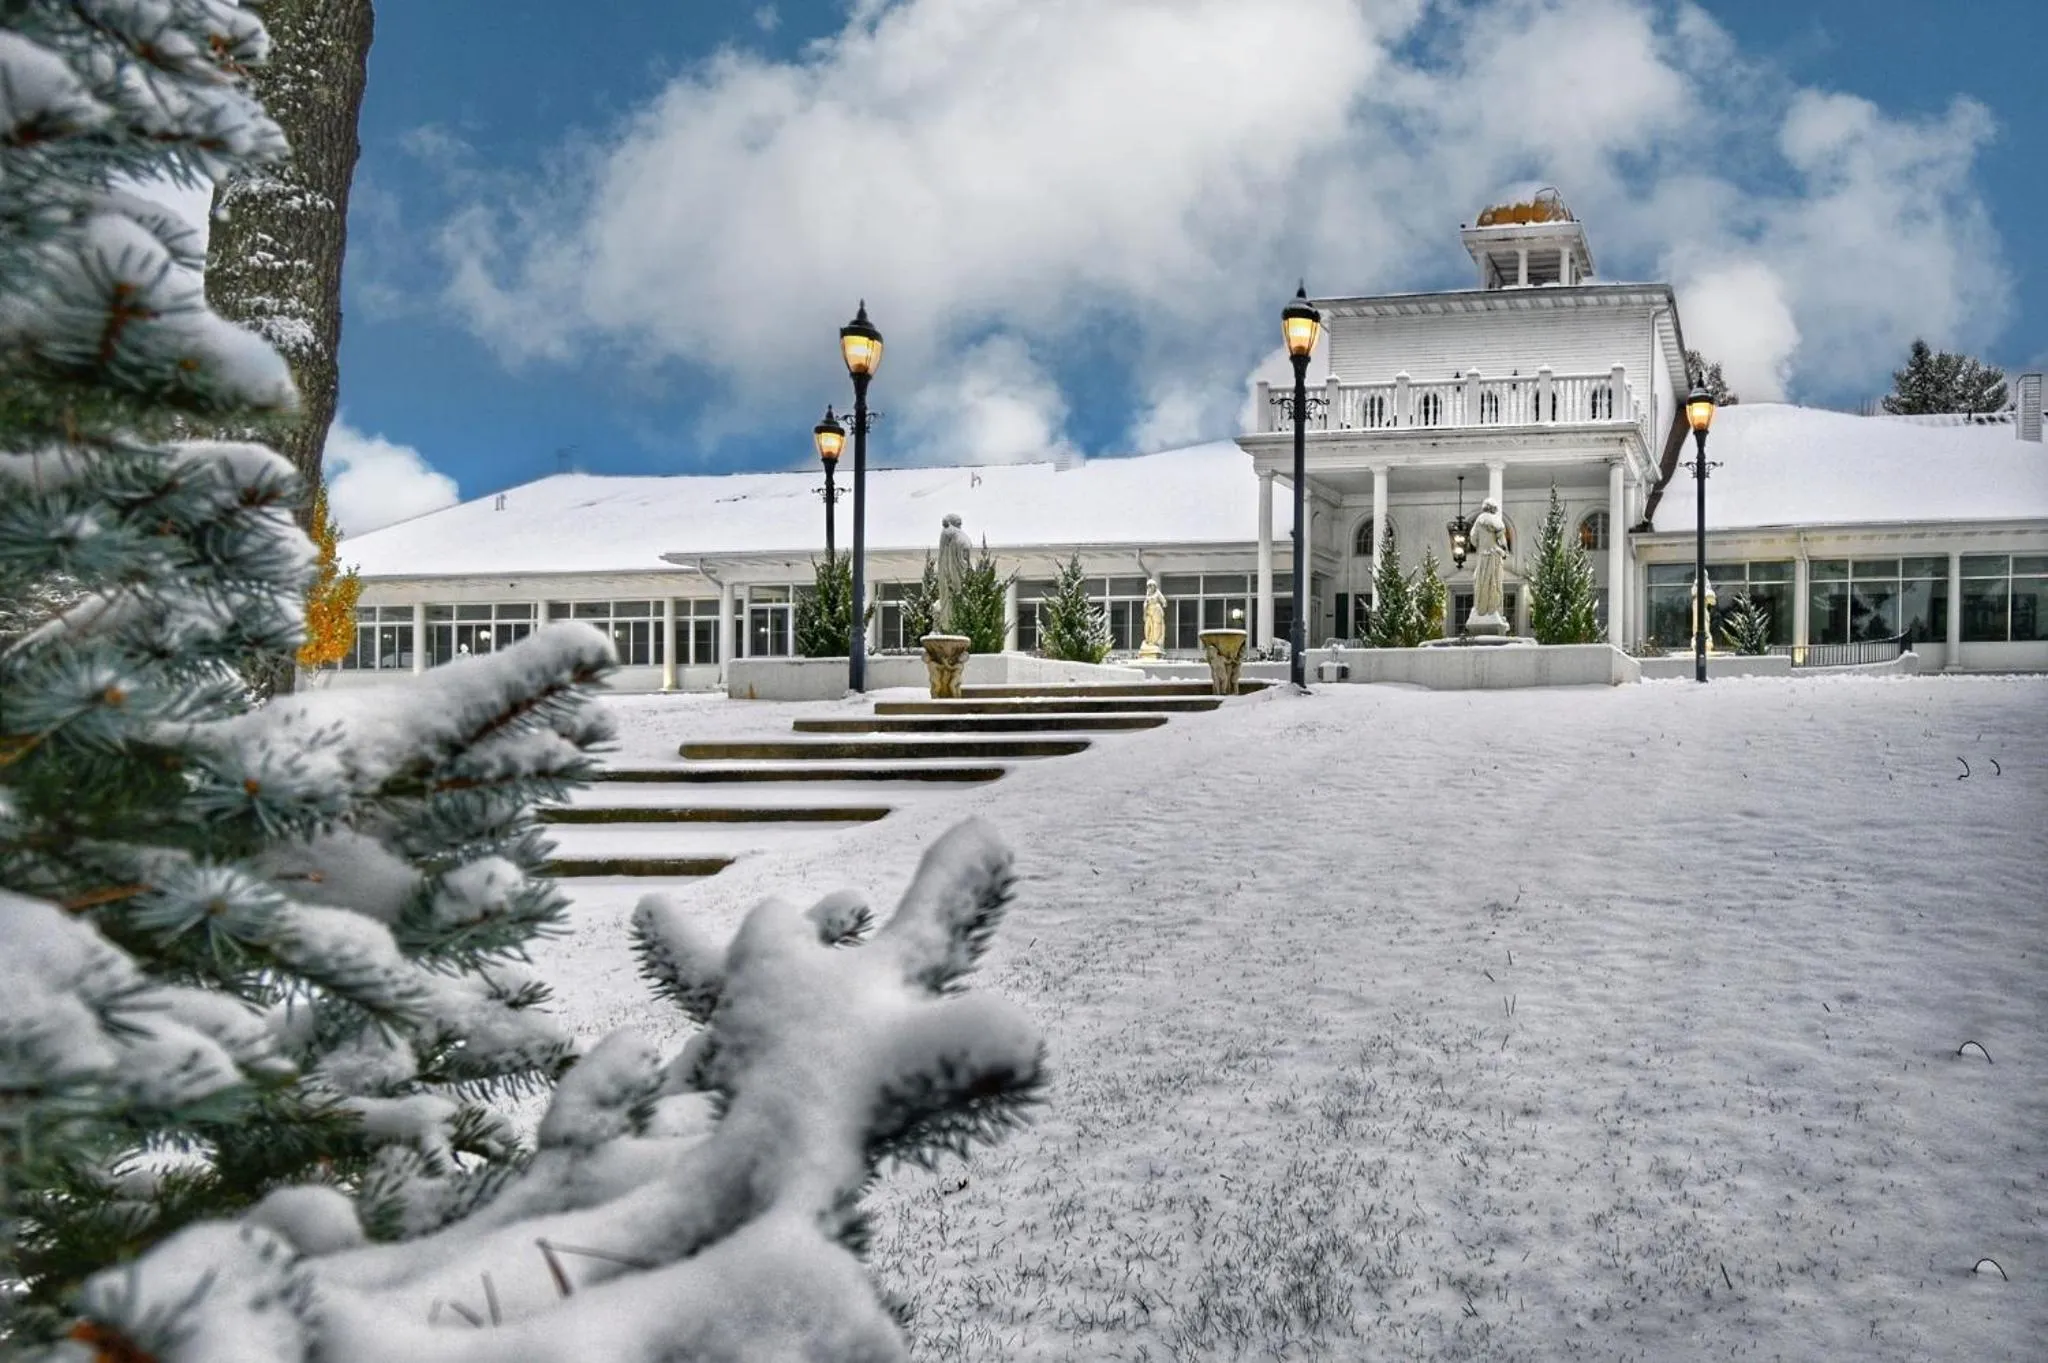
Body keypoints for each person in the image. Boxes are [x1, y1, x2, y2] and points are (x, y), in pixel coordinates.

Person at [1469, 497, 1509, 626]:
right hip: (1494, 556)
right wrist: (1504, 551)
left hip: (1482, 556)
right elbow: (1502, 542)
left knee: (1481, 582)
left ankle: (1481, 610)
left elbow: (1473, 539)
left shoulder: (1478, 521)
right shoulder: (1498, 523)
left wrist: (1481, 544)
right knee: (1494, 583)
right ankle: (1492, 611)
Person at [934, 512, 972, 635]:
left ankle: (949, 624)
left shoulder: (949, 533)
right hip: (953, 575)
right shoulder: (962, 537)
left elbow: (949, 556)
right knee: (952, 599)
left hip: (951, 575)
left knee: (950, 599)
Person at [1140, 579, 1167, 657]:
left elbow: (1164, 601)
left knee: (1156, 627)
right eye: (1148, 586)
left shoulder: (1158, 593)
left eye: (1151, 586)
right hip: (1149, 612)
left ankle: (1154, 642)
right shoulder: (1148, 594)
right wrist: (1145, 608)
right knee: (1147, 627)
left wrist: (1162, 604)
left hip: (1156, 611)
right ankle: (1148, 641)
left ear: (1154, 586)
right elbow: (1145, 603)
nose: (1150, 587)